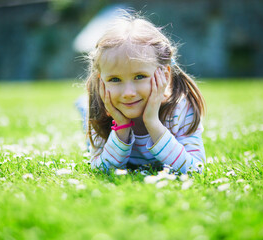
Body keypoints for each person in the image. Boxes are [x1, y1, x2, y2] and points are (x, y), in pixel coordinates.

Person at [82, 13, 206, 174]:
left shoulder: (180, 110)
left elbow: (195, 169)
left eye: (139, 77)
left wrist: (152, 123)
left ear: (165, 76)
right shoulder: (102, 113)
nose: (128, 93)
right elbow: (100, 170)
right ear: (101, 81)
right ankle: (81, 104)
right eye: (114, 79)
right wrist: (121, 126)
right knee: (84, 111)